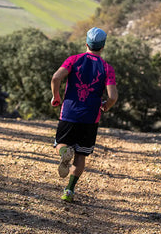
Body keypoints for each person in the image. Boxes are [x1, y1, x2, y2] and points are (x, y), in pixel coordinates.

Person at [51, 27, 118, 203]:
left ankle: (64, 152)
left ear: (86, 43)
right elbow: (113, 96)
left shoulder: (73, 60)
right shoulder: (106, 68)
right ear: (102, 46)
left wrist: (56, 96)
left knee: (60, 143)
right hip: (90, 117)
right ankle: (69, 191)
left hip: (69, 113)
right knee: (81, 155)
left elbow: (56, 78)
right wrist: (106, 106)